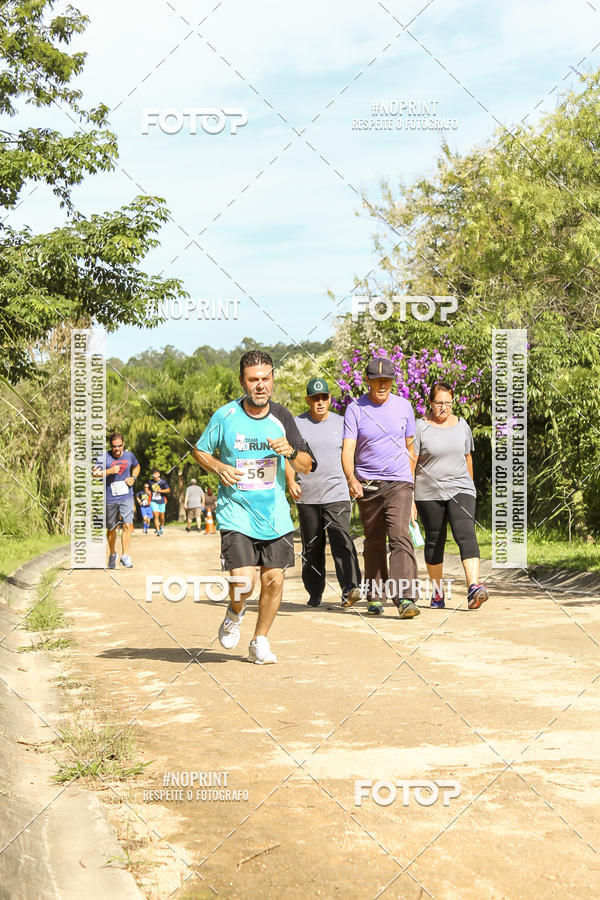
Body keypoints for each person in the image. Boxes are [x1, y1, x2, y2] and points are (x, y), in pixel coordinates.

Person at [193, 350, 316, 665]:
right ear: (242, 381)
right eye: (253, 380)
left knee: (274, 579)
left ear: (273, 379)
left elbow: (308, 463)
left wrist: (289, 451)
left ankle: (259, 640)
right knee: (244, 579)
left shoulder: (283, 418)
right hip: (237, 513)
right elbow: (200, 451)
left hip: (274, 516)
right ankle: (235, 611)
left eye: (266, 378)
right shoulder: (226, 416)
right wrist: (219, 467)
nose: (260, 385)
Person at [341, 357, 419, 618]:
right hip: (368, 484)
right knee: (374, 540)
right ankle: (375, 594)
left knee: (399, 535)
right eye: (377, 381)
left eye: (387, 381)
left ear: (393, 382)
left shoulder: (404, 406)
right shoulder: (355, 409)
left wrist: (411, 483)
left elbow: (410, 447)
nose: (382, 385)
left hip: (399, 482)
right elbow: (348, 448)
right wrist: (351, 478)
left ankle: (405, 598)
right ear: (368, 381)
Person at [286, 377, 361, 608]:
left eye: (324, 397)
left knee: (342, 539)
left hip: (336, 492)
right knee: (312, 545)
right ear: (308, 400)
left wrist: (351, 479)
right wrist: (291, 481)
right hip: (307, 494)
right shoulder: (296, 424)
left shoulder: (342, 423)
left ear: (330, 399)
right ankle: (314, 591)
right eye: (315, 398)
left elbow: (349, 454)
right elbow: (287, 456)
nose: (320, 402)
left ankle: (350, 587)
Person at [414, 382, 489, 610]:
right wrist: (409, 498)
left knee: (465, 533)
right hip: (428, 492)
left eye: (448, 403)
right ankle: (437, 593)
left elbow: (467, 458)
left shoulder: (462, 425)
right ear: (430, 403)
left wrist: (471, 487)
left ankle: (473, 587)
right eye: (439, 403)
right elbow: (411, 462)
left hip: (461, 488)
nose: (444, 408)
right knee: (435, 540)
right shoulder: (420, 427)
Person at [93, 432, 140, 568]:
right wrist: (109, 471)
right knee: (112, 527)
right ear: (110, 446)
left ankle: (125, 556)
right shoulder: (104, 457)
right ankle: (113, 553)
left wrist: (133, 478)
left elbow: (137, 467)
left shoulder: (129, 455)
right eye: (114, 446)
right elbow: (94, 473)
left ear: (123, 444)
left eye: (119, 446)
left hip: (126, 496)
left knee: (127, 524)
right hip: (110, 498)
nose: (117, 449)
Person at [150, 469, 170, 535]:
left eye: (157, 474)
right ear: (153, 475)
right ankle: (158, 530)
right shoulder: (150, 482)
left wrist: (161, 491)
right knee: (156, 515)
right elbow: (148, 489)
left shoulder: (163, 482)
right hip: (153, 501)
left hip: (162, 501)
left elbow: (168, 490)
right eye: (154, 474)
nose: (156, 476)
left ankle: (161, 526)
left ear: (159, 474)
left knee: (162, 517)